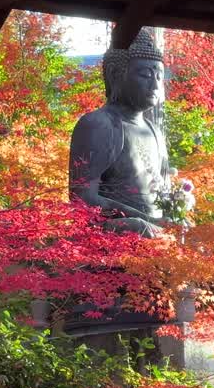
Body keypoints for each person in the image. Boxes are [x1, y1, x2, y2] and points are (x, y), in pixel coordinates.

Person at [68, 27, 172, 238]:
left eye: (159, 76)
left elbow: (164, 194)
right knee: (136, 227)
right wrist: (145, 221)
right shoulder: (99, 124)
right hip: (113, 237)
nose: (155, 85)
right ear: (116, 74)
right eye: (145, 74)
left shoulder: (154, 132)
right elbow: (83, 198)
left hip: (159, 238)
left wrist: (175, 216)